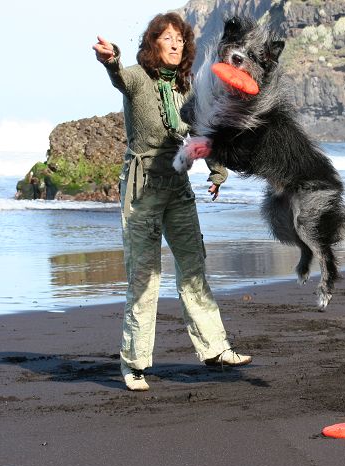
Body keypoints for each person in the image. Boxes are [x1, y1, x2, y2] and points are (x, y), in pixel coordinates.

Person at [92, 12, 251, 392]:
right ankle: (134, 364)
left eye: (181, 38)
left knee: (194, 268)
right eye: (168, 38)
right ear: (153, 44)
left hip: (178, 190)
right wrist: (109, 56)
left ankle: (215, 347)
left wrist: (216, 171)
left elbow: (202, 130)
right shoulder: (135, 79)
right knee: (144, 280)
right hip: (142, 190)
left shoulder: (189, 88)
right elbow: (116, 72)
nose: (177, 44)